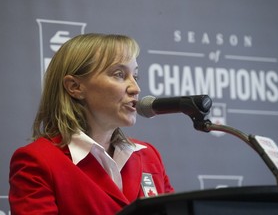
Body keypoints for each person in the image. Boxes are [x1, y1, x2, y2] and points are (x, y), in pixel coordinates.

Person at [9, 33, 174, 215]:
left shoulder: (149, 156)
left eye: (135, 76)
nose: (135, 88)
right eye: (119, 74)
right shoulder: (38, 161)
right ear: (75, 87)